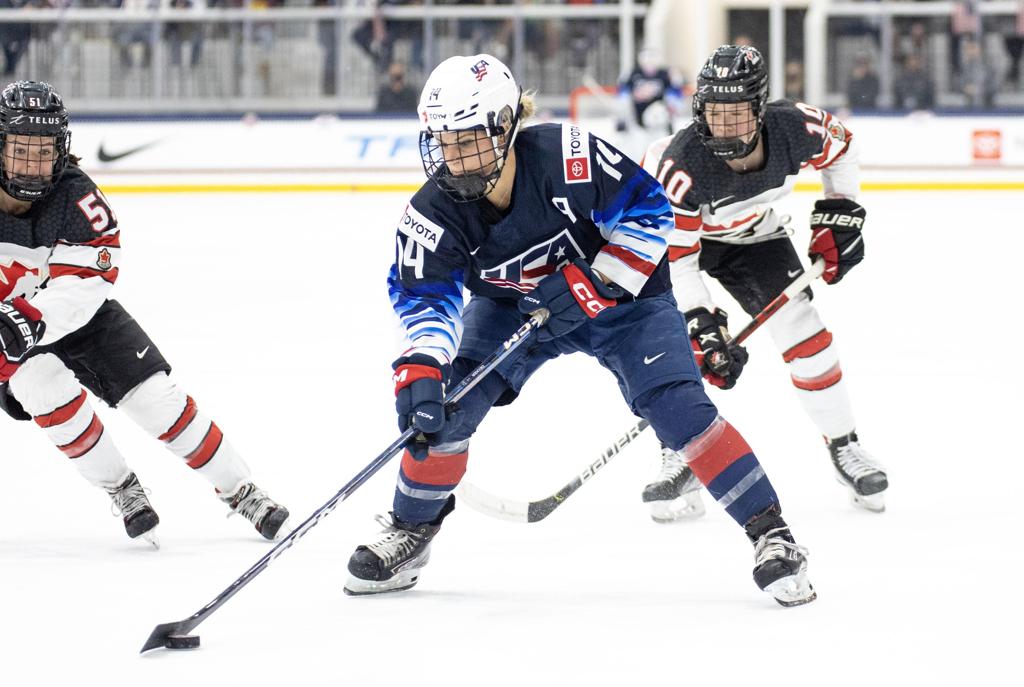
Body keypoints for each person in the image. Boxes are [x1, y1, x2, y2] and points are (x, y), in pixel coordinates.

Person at [343, 54, 816, 608]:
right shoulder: (432, 212)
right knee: (446, 405)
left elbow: (650, 212)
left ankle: (771, 533)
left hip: (627, 303)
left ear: (503, 129)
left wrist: (598, 283)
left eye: (466, 139)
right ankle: (410, 530)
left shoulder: (568, 156)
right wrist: (423, 363)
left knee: (678, 408)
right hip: (515, 310)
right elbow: (426, 298)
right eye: (442, 141)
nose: (451, 157)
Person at [0, 81, 290, 547]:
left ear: (62, 149)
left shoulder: (77, 200)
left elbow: (86, 285)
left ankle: (242, 491)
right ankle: (122, 488)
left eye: (44, 150)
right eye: (21, 150)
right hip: (11, 330)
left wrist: (27, 319)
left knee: (156, 399)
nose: (33, 165)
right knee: (39, 387)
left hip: (77, 317)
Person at [640, 45, 888, 523]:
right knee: (675, 349)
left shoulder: (795, 126)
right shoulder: (679, 166)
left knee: (806, 334)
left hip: (753, 235)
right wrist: (700, 322)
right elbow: (679, 262)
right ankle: (678, 452)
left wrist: (842, 211)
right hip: (669, 243)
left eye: (736, 114)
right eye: (714, 114)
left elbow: (844, 148)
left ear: (759, 108)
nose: (723, 127)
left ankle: (844, 446)